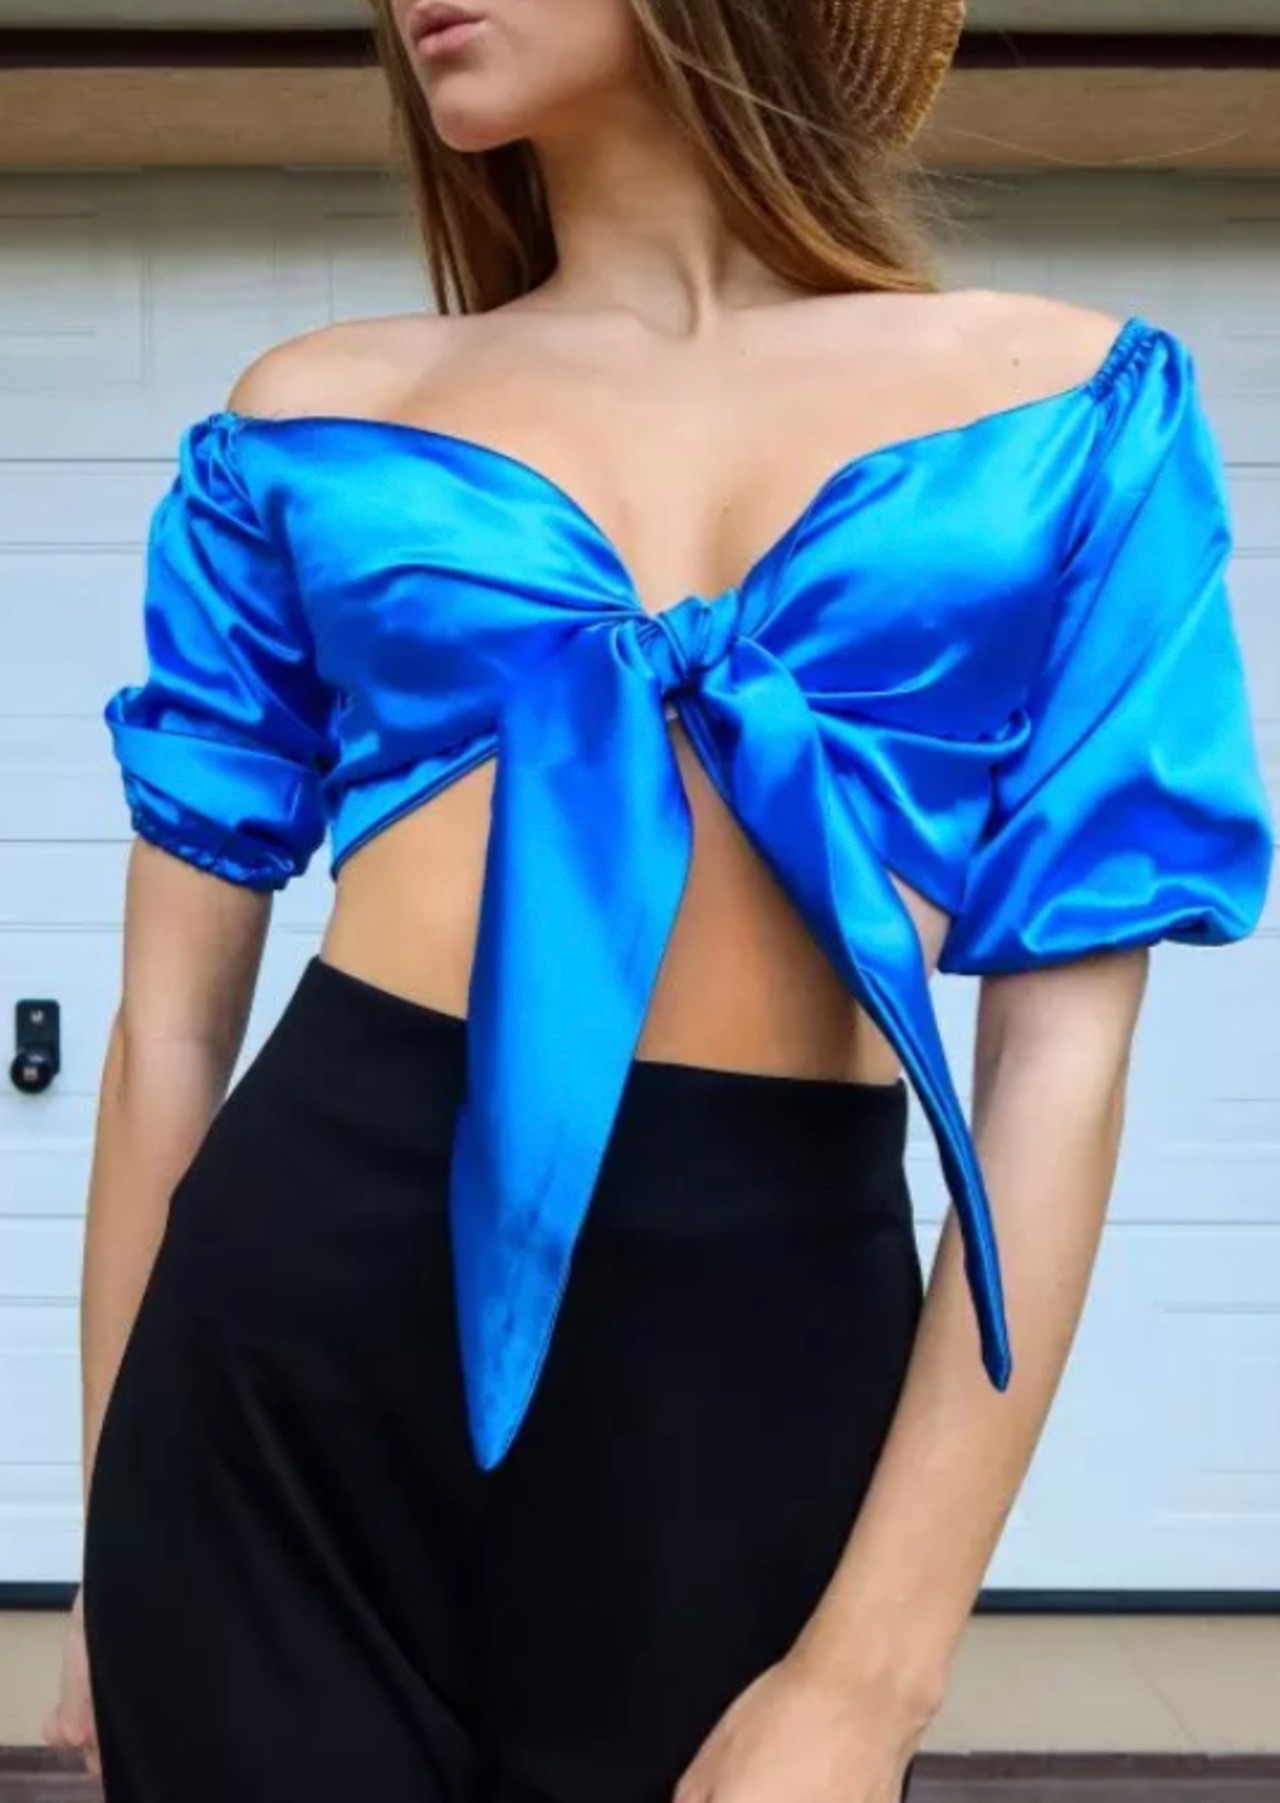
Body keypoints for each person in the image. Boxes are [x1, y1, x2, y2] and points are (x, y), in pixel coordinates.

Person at [45, 0, 1273, 1800]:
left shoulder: (1075, 414)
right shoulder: (313, 415)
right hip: (284, 1350)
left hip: (757, 1359)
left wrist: (871, 1680)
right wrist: (110, 1539)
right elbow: (167, 1030)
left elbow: (1055, 1074)